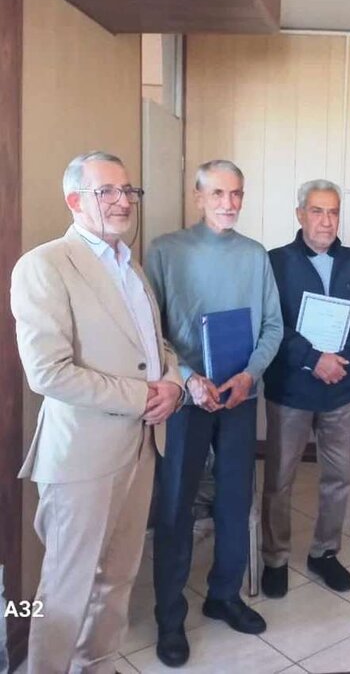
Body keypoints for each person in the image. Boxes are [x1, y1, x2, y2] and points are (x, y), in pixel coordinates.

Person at [11, 150, 184, 674]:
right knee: (64, 589)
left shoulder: (130, 266)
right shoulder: (45, 265)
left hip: (142, 447)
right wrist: (142, 397)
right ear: (74, 200)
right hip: (82, 457)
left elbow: (157, 348)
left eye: (127, 190)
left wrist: (174, 385)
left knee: (118, 578)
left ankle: (97, 664)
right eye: (105, 191)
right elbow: (48, 372)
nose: (121, 201)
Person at [146, 159, 283, 668]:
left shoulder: (254, 255)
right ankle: (169, 616)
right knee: (176, 505)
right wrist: (187, 378)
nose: (229, 203)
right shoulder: (164, 251)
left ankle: (224, 594)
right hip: (186, 401)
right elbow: (151, 332)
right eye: (219, 193)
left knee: (234, 499)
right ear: (198, 196)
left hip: (239, 397)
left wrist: (250, 375)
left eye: (237, 193)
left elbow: (273, 326)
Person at [261, 179, 350, 595]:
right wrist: (314, 359)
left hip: (339, 391)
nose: (326, 221)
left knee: (338, 477)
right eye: (317, 211)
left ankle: (325, 552)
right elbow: (270, 324)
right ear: (300, 214)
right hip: (290, 391)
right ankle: (275, 557)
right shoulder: (275, 263)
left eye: (333, 212)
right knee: (279, 479)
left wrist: (343, 359)